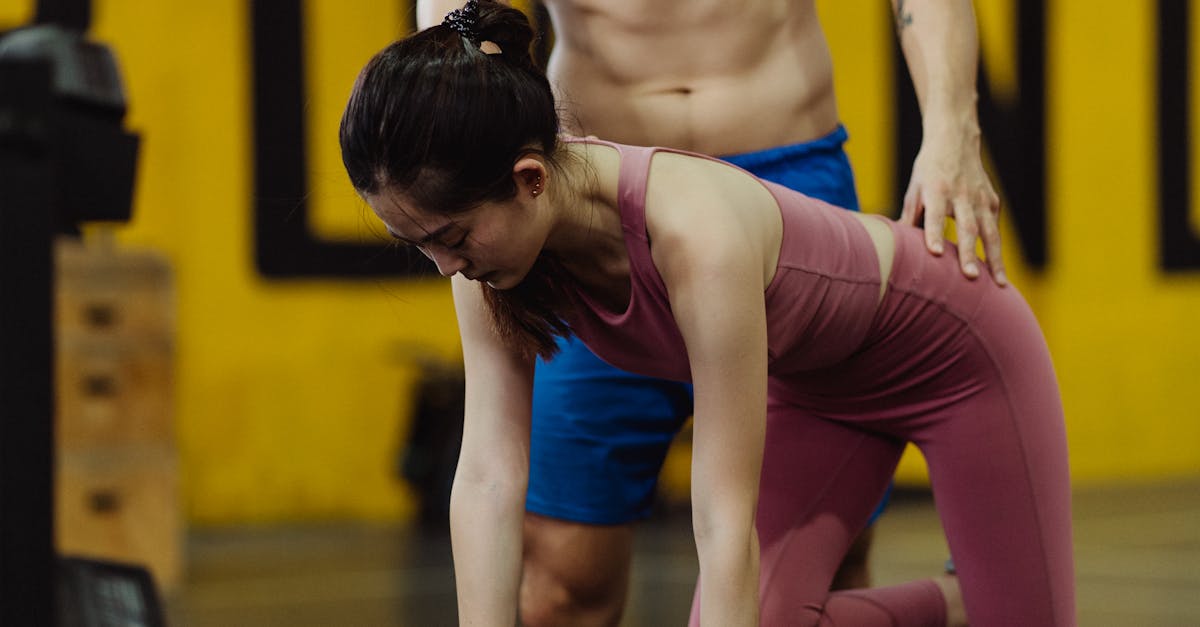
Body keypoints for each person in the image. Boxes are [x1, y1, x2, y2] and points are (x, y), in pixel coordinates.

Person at [338, 3, 1076, 625]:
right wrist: (450, 140)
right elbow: (488, 473)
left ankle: (975, 595)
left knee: (820, 567)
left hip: (798, 184)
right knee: (566, 579)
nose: (443, 265)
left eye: (448, 240)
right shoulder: (490, 232)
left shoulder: (680, 233)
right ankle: (961, 598)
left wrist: (950, 124)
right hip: (583, 206)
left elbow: (722, 522)